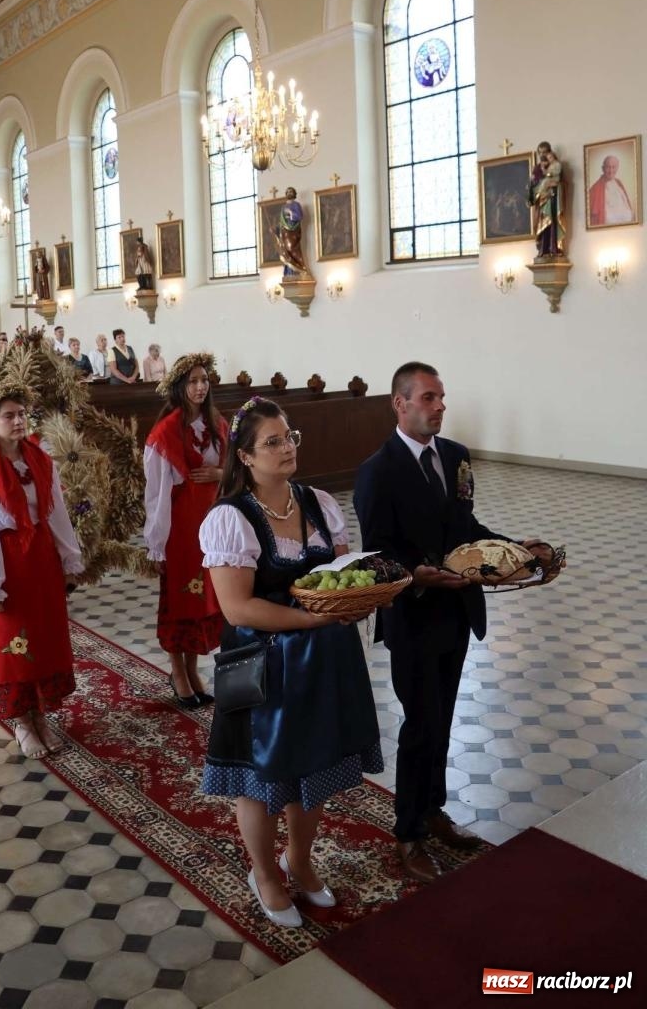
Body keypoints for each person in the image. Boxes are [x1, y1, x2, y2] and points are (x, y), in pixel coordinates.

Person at [354, 362, 552, 884]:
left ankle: (434, 810)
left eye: (441, 397)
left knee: (442, 718)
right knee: (419, 725)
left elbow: (469, 530)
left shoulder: (457, 457)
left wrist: (516, 549)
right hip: (414, 615)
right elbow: (376, 551)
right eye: (427, 398)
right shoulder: (379, 469)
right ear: (399, 403)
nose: (439, 406)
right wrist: (414, 576)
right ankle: (407, 833)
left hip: (457, 610)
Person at [199, 396, 381, 927]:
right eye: (273, 442)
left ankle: (298, 861)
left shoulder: (319, 502)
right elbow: (237, 607)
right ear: (246, 456)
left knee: (316, 767)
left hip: (324, 661)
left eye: (290, 437)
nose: (287, 447)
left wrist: (355, 601)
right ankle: (265, 873)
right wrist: (315, 621)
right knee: (261, 777)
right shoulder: (230, 519)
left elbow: (343, 572)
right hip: (262, 665)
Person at [0, 390, 84, 758]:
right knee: (13, 641)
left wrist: (69, 560)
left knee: (41, 639)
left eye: (22, 413)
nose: (19, 421)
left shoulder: (41, 461)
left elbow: (56, 514)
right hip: (6, 561)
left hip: (40, 560)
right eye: (9, 415)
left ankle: (40, 714)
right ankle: (22, 721)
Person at [144, 354, 227, 705]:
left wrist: (219, 475)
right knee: (181, 597)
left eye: (204, 380)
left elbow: (237, 468)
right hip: (180, 527)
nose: (199, 387)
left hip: (213, 522)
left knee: (205, 596)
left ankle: (193, 669)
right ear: (180, 386)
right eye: (193, 381)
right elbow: (157, 493)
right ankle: (177, 670)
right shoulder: (165, 433)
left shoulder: (217, 425)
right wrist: (156, 543)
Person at [528, 141, 566, 257]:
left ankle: (553, 248)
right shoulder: (537, 168)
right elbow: (533, 184)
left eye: (545, 152)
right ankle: (543, 248)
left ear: (549, 152)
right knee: (541, 224)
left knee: (552, 222)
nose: (542, 154)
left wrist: (553, 186)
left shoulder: (556, 165)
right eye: (540, 152)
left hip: (553, 199)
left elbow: (561, 182)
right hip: (541, 202)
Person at [588, 154, 635, 227]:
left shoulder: (619, 183)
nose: (611, 170)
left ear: (617, 168)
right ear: (603, 168)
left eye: (613, 167)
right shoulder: (594, 189)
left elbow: (627, 205)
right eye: (608, 167)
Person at [274, 187, 311, 277]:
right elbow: (281, 221)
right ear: (286, 194)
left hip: (293, 230)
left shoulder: (296, 205)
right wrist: (276, 229)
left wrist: (290, 212)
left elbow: (299, 216)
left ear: (294, 194)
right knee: (285, 249)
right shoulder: (283, 207)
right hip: (284, 232)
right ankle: (289, 271)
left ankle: (299, 269)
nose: (289, 193)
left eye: (291, 192)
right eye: (288, 192)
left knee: (291, 247)